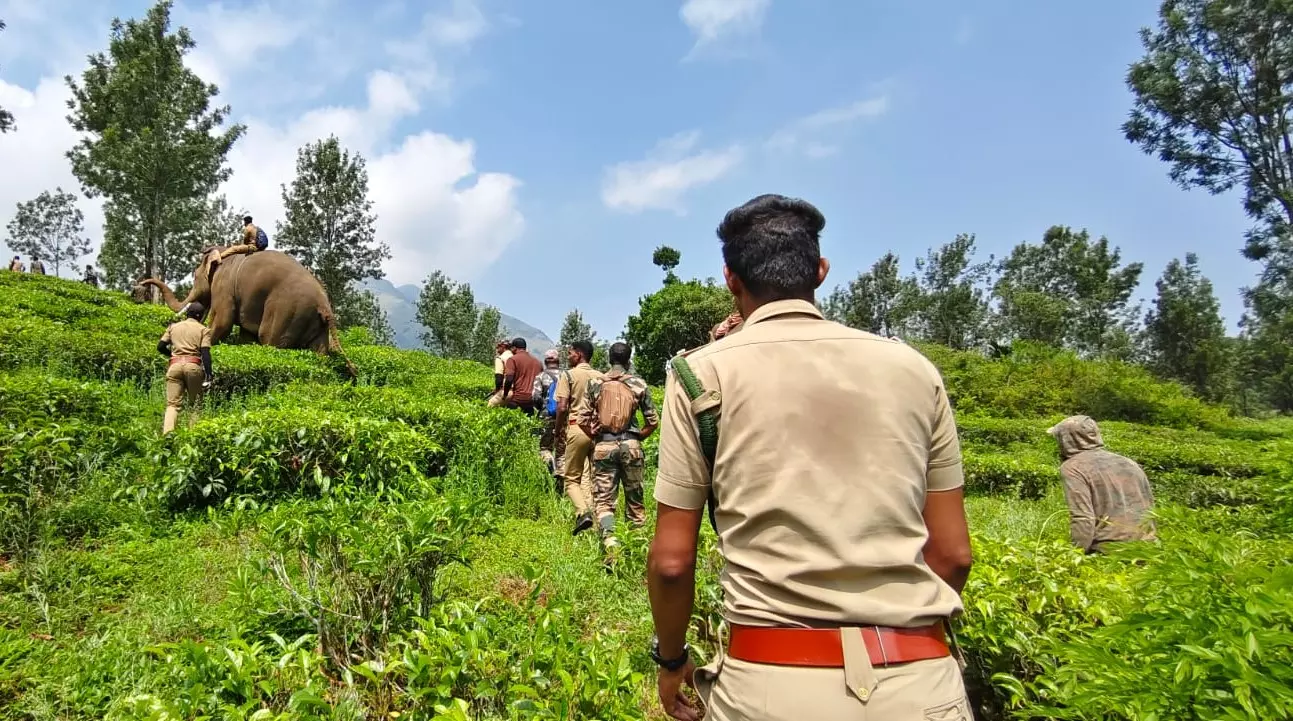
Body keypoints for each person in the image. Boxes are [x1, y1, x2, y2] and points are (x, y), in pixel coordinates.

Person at [646, 194, 973, 721]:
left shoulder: (700, 376)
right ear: (820, 271)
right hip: (919, 676)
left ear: (732, 279)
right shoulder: (914, 370)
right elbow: (953, 554)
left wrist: (671, 658)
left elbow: (671, 561)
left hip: (772, 681)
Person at [578, 341, 659, 556]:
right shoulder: (638, 384)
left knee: (604, 501)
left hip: (604, 445)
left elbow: (582, 420)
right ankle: (637, 549)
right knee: (635, 498)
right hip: (631, 446)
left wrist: (595, 437)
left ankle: (611, 544)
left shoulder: (596, 382)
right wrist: (637, 436)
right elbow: (653, 421)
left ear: (609, 359)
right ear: (628, 360)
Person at [1048, 415, 1156, 554]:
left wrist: (1074, 556)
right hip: (1148, 548)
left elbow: (1083, 518)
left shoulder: (1073, 467)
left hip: (1109, 551)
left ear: (1067, 439)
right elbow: (1150, 508)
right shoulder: (1128, 463)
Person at [555, 339, 602, 534]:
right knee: (593, 478)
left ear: (580, 354)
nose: (569, 356)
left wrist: (558, 430)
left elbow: (562, 406)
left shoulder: (569, 375)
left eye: (571, 353)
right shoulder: (602, 376)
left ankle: (583, 513)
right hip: (598, 431)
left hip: (577, 429)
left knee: (571, 479)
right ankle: (599, 522)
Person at [157, 301, 214, 434]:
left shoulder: (173, 327)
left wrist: (172, 355)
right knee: (196, 405)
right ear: (200, 317)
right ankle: (192, 435)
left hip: (174, 366)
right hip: (193, 366)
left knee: (172, 405)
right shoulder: (203, 330)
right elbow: (205, 353)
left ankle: (168, 436)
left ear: (187, 314)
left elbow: (160, 346)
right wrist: (209, 375)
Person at [533, 349, 565, 483]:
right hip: (564, 416)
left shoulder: (540, 376)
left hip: (546, 416)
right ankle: (562, 476)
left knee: (545, 447)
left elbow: (535, 397)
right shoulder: (567, 375)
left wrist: (543, 408)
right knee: (562, 449)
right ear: (558, 361)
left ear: (546, 361)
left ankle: (550, 466)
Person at [502, 337, 543, 415]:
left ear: (514, 348)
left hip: (518, 399)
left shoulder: (512, 360)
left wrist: (505, 395)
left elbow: (509, 379)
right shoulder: (538, 362)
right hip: (533, 400)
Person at [488, 340, 513, 407]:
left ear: (503, 346)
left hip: (507, 391)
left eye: (498, 346)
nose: (497, 348)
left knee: (490, 405)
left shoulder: (501, 358)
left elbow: (499, 378)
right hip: (518, 391)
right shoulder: (515, 357)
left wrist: (497, 390)